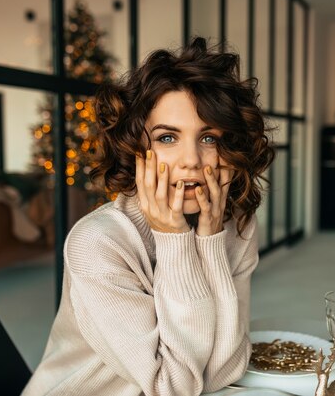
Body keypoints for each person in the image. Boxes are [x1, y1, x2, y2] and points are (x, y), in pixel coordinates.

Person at [21, 37, 275, 396]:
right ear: (136, 147)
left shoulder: (237, 225)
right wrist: (173, 237)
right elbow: (173, 386)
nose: (191, 160)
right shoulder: (97, 243)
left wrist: (210, 241)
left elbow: (227, 369)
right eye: (168, 137)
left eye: (209, 138)